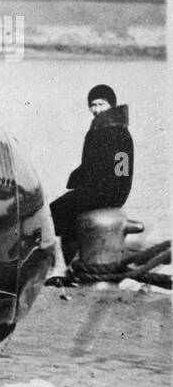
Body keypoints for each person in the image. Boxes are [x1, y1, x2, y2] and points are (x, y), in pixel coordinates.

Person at [47, 84, 134, 278]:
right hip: (115, 192)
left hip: (103, 192)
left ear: (111, 105)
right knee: (68, 211)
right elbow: (120, 169)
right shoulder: (122, 131)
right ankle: (70, 264)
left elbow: (96, 166)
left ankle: (60, 266)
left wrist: (77, 180)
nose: (96, 109)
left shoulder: (103, 130)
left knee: (52, 212)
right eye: (92, 105)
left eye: (100, 104)